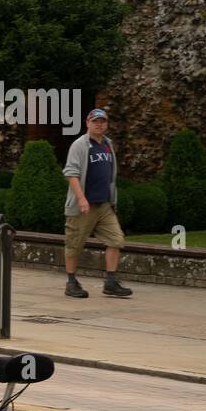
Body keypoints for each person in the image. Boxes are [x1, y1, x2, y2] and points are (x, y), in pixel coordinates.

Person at [62, 108, 132, 298]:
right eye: (95, 121)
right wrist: (81, 199)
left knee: (116, 240)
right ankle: (71, 281)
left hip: (104, 205)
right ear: (88, 123)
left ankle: (110, 281)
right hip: (84, 206)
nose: (99, 124)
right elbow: (71, 173)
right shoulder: (80, 145)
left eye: (103, 121)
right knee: (74, 244)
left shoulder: (108, 144)